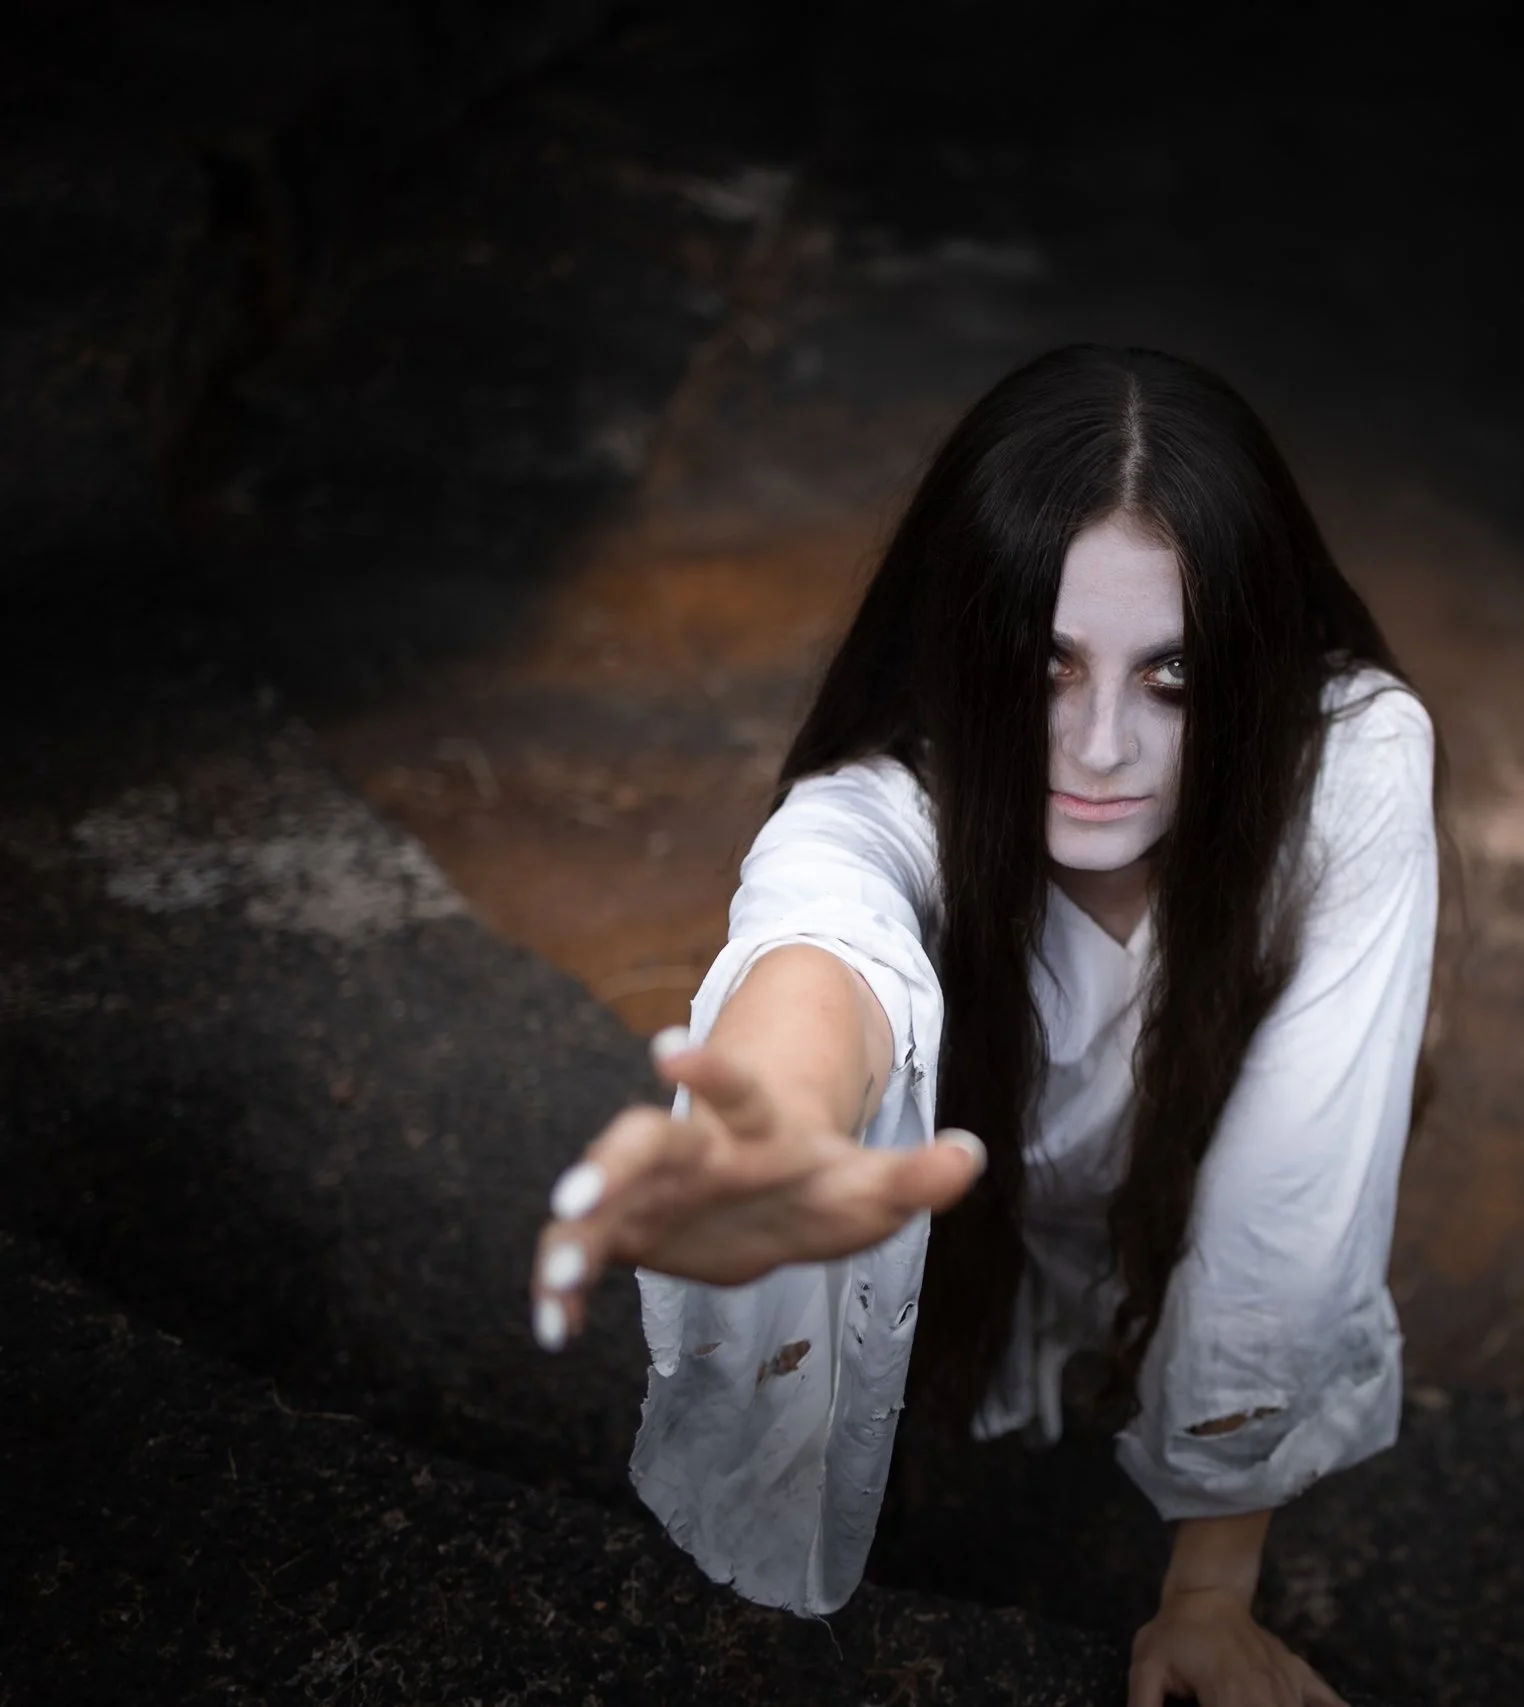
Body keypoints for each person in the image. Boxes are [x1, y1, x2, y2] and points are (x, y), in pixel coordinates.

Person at [530, 345, 1440, 1707]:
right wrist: (774, 1115)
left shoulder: (1349, 765)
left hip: (1183, 1216)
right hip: (980, 1224)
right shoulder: (891, 793)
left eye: (1174, 674)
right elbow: (820, 940)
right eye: (1046, 664)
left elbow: (1290, 1203)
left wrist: (1206, 1590)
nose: (1099, 747)